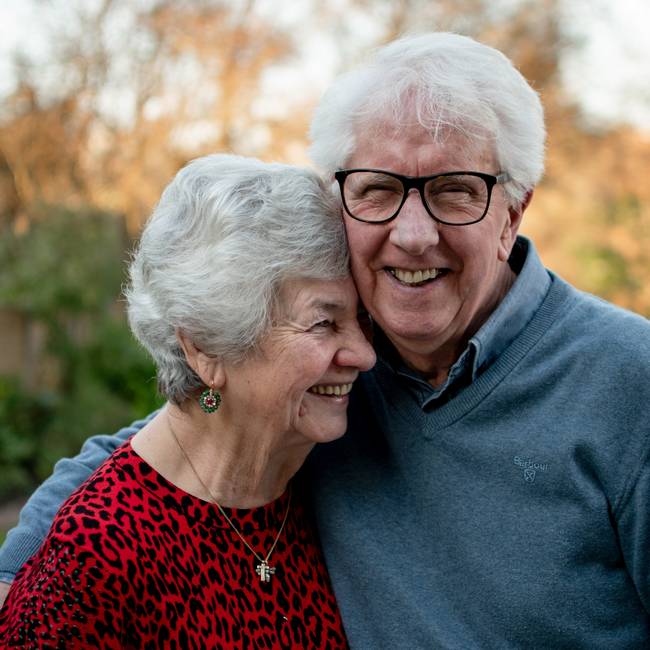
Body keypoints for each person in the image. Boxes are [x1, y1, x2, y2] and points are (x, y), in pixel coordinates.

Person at [2, 31, 650, 648]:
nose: (413, 234)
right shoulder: (336, 377)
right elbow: (186, 433)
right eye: (380, 189)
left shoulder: (629, 383)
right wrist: (26, 574)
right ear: (345, 199)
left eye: (456, 192)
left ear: (514, 209)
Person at [0, 153, 376, 647]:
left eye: (361, 319)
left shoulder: (310, 476)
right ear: (205, 347)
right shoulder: (101, 553)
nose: (365, 355)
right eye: (323, 323)